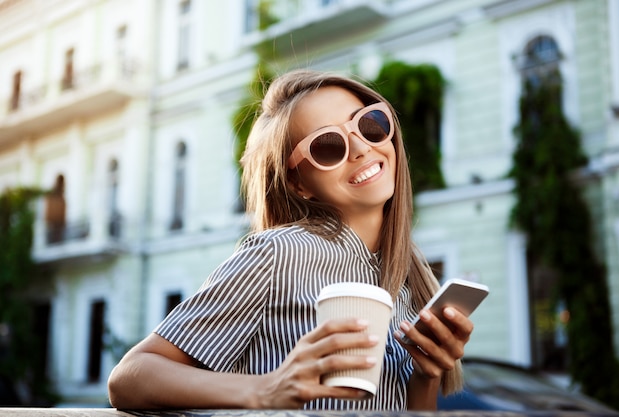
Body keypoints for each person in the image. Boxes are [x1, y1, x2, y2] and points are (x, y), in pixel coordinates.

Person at [107, 69, 473, 410]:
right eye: (328, 146)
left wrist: (427, 373)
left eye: (369, 124)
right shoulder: (278, 253)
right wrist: (266, 389)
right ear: (298, 184)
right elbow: (130, 375)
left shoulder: (411, 272)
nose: (362, 148)